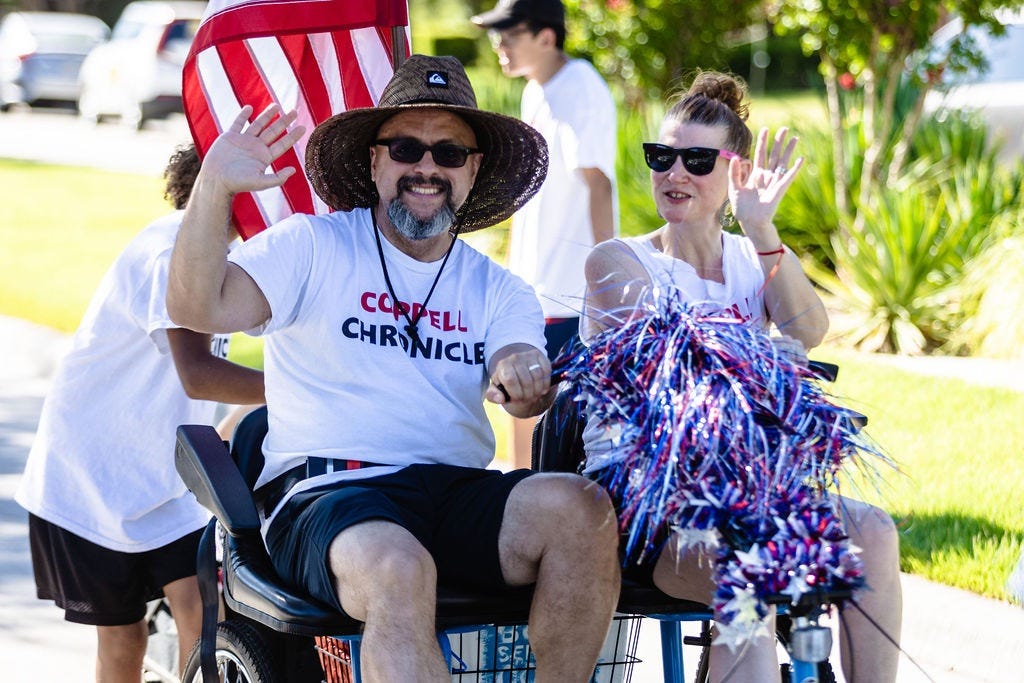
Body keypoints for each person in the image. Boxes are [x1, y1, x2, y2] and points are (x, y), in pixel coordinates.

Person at [165, 54, 621, 682]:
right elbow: (196, 305)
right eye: (406, 148)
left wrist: (521, 370)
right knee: (400, 568)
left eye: (449, 153)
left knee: (583, 509)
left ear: (473, 170)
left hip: (453, 488)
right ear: (376, 161)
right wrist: (214, 185)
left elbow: (521, 374)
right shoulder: (313, 245)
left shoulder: (498, 289)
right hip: (327, 490)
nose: (426, 166)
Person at [580, 72, 902, 682]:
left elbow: (808, 330)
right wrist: (766, 365)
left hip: (752, 489)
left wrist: (760, 228)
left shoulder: (751, 258)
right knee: (751, 570)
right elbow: (670, 368)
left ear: (736, 170)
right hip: (649, 498)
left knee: (873, 531)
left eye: (698, 159)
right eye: (662, 156)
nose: (675, 173)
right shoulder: (619, 262)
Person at [15, 144, 266, 682]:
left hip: (162, 482)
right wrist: (302, 390)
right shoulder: (168, 253)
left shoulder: (231, 258)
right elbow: (198, 373)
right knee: (123, 636)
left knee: (204, 617)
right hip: (91, 476)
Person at [472, 0, 617, 469]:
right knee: (516, 402)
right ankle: (518, 494)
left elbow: (599, 183)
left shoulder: (581, 88)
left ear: (546, 37)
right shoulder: (537, 89)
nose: (500, 46)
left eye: (509, 35)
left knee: (556, 430)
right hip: (533, 288)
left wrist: (604, 284)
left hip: (570, 293)